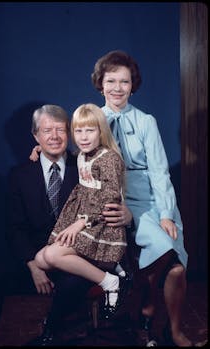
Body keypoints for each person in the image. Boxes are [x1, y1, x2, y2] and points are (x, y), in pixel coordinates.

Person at [6, 103, 133, 346]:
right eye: (46, 131)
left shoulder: (86, 162)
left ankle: (51, 332)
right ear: (36, 136)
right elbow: (14, 228)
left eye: (60, 130)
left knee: (74, 284)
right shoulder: (20, 175)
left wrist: (128, 215)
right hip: (43, 252)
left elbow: (111, 192)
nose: (54, 137)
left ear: (68, 132)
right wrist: (33, 265)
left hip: (87, 251)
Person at [90, 50, 192, 347]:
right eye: (111, 81)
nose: (117, 88)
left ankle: (164, 326)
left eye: (125, 82)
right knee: (166, 258)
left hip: (150, 197)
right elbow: (79, 156)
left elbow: (160, 171)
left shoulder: (146, 121)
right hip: (113, 196)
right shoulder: (91, 118)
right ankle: (147, 314)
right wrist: (42, 154)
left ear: (133, 85)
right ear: (100, 84)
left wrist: (166, 214)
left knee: (175, 264)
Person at [34, 103, 132, 322]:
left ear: (101, 131)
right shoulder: (82, 156)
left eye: (90, 130)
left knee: (51, 255)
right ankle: (108, 267)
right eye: (78, 131)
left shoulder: (109, 159)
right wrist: (39, 148)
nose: (84, 137)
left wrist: (80, 223)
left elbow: (109, 197)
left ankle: (110, 281)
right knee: (41, 259)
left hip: (101, 226)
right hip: (85, 221)